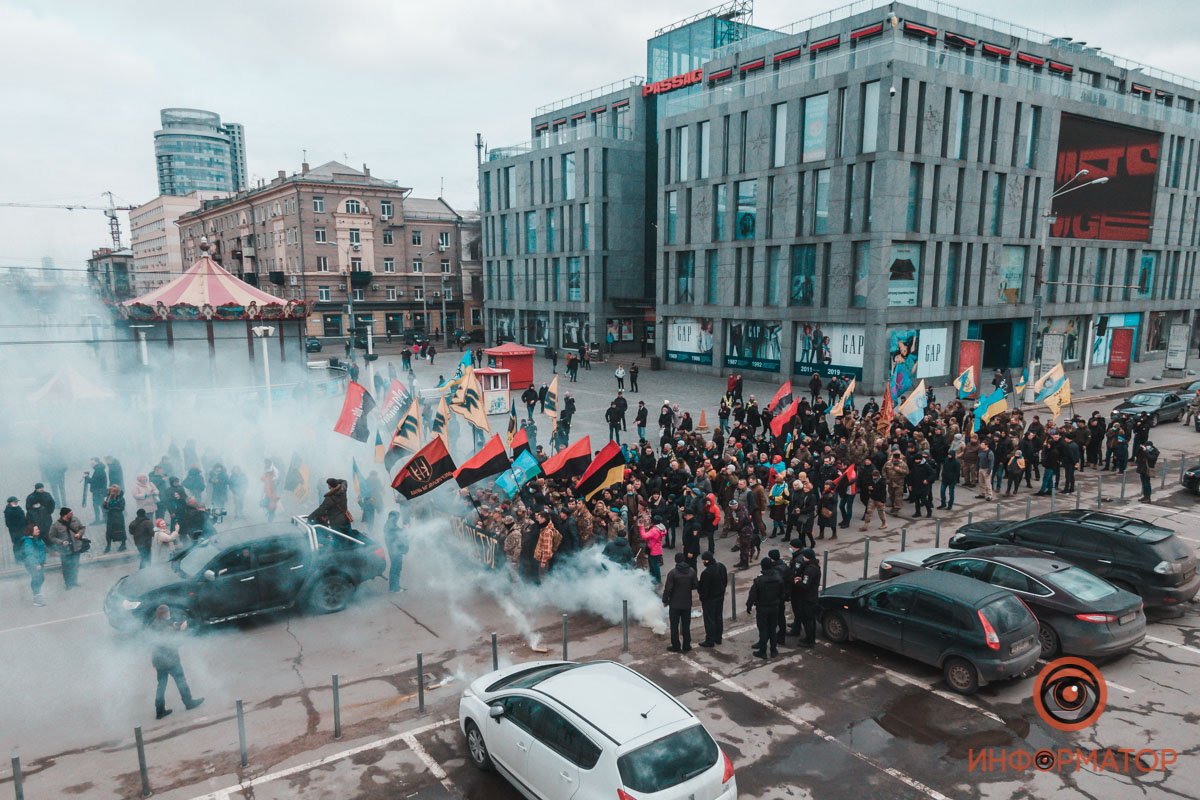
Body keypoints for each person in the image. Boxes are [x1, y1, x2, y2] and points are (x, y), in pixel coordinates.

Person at [149, 605, 204, 720]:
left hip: (159, 661)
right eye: (168, 613)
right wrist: (181, 630)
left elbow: (165, 632)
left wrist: (174, 627)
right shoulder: (165, 627)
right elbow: (174, 642)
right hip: (170, 660)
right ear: (164, 614)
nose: (169, 614)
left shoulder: (155, 624)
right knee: (181, 681)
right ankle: (189, 703)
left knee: (161, 685)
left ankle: (159, 710)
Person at [747, 557, 783, 659]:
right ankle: (773, 650)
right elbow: (782, 592)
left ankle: (762, 651)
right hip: (774, 607)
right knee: (772, 628)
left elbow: (752, 595)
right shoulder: (778, 578)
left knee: (763, 630)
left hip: (762, 608)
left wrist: (749, 605)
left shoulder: (759, 580)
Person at [662, 553, 698, 652]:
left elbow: (668, 589)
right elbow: (695, 585)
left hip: (674, 604)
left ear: (676, 561)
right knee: (686, 626)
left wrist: (665, 600)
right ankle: (686, 645)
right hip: (687, 603)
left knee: (674, 626)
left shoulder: (672, 573)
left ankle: (676, 646)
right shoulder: (691, 571)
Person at [47, 507, 86, 589]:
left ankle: (74, 581)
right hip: (65, 551)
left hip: (76, 548)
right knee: (66, 568)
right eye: (70, 513)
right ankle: (68, 584)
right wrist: (61, 542)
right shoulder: (56, 525)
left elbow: (82, 528)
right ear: (65, 515)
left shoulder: (75, 520)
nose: (72, 514)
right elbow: (51, 537)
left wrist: (79, 533)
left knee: (75, 566)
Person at [792, 546, 821, 647]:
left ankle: (809, 640)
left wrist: (797, 581)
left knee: (807, 620)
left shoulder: (809, 569)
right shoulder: (814, 566)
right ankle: (810, 638)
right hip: (812, 597)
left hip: (808, 598)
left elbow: (805, 585)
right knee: (810, 619)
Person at [697, 551, 728, 647]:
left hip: (710, 600)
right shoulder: (721, 566)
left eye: (703, 561)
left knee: (709, 620)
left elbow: (704, 589)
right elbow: (725, 580)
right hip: (720, 596)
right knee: (718, 617)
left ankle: (710, 640)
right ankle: (718, 638)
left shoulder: (706, 573)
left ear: (707, 561)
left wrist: (702, 598)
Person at [20, 523, 47, 606]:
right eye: (36, 530)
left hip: (39, 563)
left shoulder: (36, 538)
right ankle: (36, 598)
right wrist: (36, 564)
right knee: (37, 579)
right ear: (31, 531)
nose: (38, 530)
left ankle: (37, 594)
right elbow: (30, 554)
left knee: (40, 578)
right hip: (33, 564)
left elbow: (42, 548)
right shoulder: (28, 541)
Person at [384, 510, 408, 592]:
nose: (397, 519)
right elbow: (397, 534)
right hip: (395, 550)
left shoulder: (390, 524)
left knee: (396, 568)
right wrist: (404, 530)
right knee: (395, 568)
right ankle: (394, 588)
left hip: (395, 550)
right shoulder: (390, 525)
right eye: (397, 517)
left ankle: (395, 587)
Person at [102, 484, 128, 553]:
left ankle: (123, 544)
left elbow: (122, 508)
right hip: (110, 516)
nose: (111, 492)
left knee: (121, 530)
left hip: (118, 517)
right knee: (109, 531)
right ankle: (108, 545)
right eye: (111, 491)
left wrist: (112, 508)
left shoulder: (121, 498)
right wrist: (105, 505)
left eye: (113, 491)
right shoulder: (108, 497)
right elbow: (105, 507)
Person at [640, 518, 666, 583]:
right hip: (657, 549)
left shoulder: (654, 530)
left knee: (654, 565)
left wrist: (641, 527)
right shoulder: (661, 528)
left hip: (653, 550)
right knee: (654, 565)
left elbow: (644, 536)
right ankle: (654, 577)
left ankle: (656, 579)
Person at [5, 496, 26, 561]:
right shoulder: (8, 510)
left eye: (16, 501)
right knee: (17, 544)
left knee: (23, 542)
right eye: (15, 501)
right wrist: (15, 529)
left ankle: (23, 557)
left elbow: (23, 516)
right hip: (15, 531)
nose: (16, 502)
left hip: (22, 529)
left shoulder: (18, 507)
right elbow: (8, 523)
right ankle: (18, 559)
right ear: (10, 503)